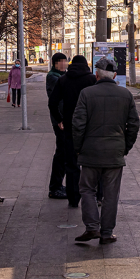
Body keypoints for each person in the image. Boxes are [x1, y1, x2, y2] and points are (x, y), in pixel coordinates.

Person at [71, 57, 140, 245]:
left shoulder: (86, 94)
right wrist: (125, 147)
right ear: (115, 75)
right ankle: (107, 233)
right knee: (110, 194)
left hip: (90, 152)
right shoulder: (125, 95)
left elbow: (78, 125)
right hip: (114, 153)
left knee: (87, 189)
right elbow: (133, 125)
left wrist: (78, 149)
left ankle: (92, 227)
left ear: (96, 75)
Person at [48, 55, 96, 208]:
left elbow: (52, 103)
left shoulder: (63, 80)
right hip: (89, 126)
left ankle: (73, 198)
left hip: (69, 126)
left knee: (71, 163)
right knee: (91, 162)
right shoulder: (92, 80)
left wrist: (59, 119)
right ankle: (93, 195)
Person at [46, 52, 69, 200]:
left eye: (65, 61)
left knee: (64, 152)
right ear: (55, 63)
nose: (64, 64)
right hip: (59, 120)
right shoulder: (53, 77)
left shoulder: (63, 76)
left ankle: (59, 185)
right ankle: (55, 187)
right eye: (60, 61)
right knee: (61, 153)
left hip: (65, 119)